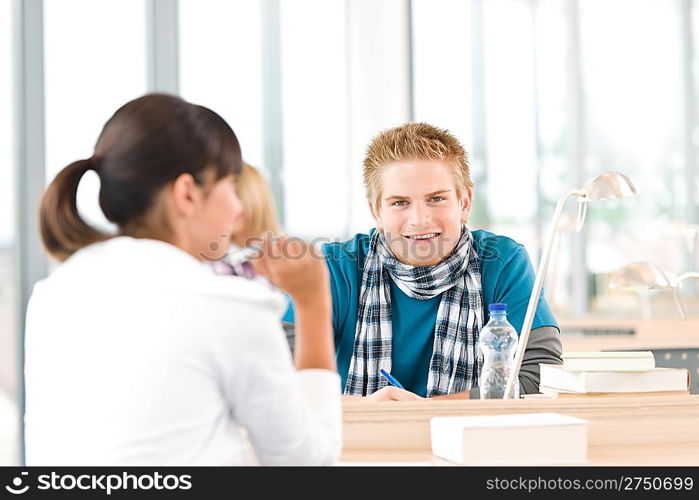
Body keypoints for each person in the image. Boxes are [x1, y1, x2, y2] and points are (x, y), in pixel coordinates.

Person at [24, 93, 340, 465]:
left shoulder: (53, 293)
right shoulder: (226, 305)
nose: (238, 207)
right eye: (230, 186)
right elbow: (307, 465)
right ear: (187, 194)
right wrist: (313, 301)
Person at [283, 122, 562, 400]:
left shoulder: (502, 261)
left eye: (436, 198)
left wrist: (425, 411)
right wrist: (369, 407)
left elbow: (542, 376)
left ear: (465, 202)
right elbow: (279, 375)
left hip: (472, 436)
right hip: (358, 437)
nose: (419, 219)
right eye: (400, 203)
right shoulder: (335, 267)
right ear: (376, 210)